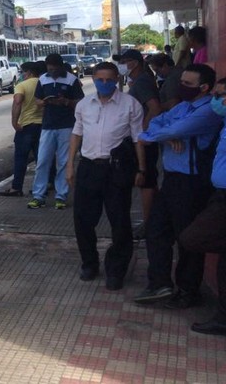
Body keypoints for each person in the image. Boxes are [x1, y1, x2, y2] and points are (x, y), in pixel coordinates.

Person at [135, 64, 222, 308]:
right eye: (181, 81)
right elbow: (153, 125)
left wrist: (167, 133)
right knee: (156, 230)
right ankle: (160, 283)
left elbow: (172, 128)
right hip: (172, 180)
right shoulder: (184, 106)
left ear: (204, 88)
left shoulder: (208, 112)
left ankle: (188, 291)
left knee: (187, 239)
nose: (181, 86)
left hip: (192, 184)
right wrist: (167, 134)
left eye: (188, 84)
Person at [67, 62, 146, 290]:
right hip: (89, 168)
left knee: (120, 221)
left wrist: (141, 169)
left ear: (117, 79)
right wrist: (70, 166)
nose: (104, 83)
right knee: (83, 220)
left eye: (109, 79)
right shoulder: (84, 105)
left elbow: (137, 138)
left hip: (116, 170)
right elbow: (76, 134)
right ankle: (89, 263)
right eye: (100, 79)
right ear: (93, 78)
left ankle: (116, 270)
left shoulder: (130, 105)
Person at [179, 78, 226, 335]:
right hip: (218, 194)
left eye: (221, 96)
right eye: (215, 95)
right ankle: (223, 318)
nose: (216, 101)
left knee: (192, 237)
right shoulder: (223, 123)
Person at [116, 49, 162, 239]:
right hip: (143, 139)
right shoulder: (139, 80)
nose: (121, 66)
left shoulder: (142, 81)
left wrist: (142, 133)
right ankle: (153, 220)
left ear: (133, 63)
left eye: (124, 61)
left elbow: (155, 108)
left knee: (146, 182)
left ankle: (149, 224)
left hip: (144, 141)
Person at [29, 53, 85, 209]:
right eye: (49, 68)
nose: (52, 71)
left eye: (54, 68)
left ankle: (61, 196)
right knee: (42, 161)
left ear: (60, 66)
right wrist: (44, 103)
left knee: (63, 162)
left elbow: (80, 102)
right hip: (47, 125)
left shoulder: (71, 80)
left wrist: (66, 102)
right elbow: (37, 100)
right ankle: (38, 195)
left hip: (66, 126)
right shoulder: (43, 79)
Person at [0, 62, 44, 197]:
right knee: (41, 158)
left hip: (26, 126)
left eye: (23, 72)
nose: (22, 74)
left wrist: (14, 122)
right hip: (42, 125)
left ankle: (16, 187)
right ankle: (44, 185)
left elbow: (18, 101)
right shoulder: (43, 83)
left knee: (20, 158)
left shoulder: (22, 85)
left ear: (29, 72)